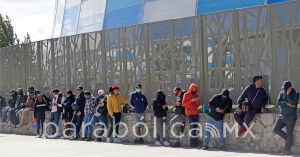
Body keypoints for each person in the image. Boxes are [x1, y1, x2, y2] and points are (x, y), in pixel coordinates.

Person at [273, 81, 299, 155]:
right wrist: (286, 103)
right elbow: (278, 102)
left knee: (289, 133)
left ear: (290, 88)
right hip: (282, 116)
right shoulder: (282, 92)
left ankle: (287, 150)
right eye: (284, 88)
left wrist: (287, 96)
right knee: (276, 130)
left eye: (286, 89)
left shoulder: (296, 93)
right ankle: (290, 139)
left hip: (291, 116)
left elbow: (293, 104)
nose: (284, 90)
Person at [182, 83, 201, 148]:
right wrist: (190, 100)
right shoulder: (186, 94)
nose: (194, 90)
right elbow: (183, 104)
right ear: (190, 88)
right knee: (192, 127)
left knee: (195, 128)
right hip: (189, 114)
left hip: (196, 113)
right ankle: (192, 143)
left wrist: (197, 101)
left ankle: (195, 142)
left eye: (195, 89)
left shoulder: (196, 95)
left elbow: (198, 105)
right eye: (193, 89)